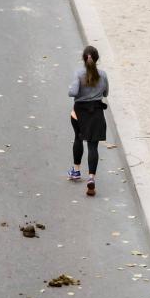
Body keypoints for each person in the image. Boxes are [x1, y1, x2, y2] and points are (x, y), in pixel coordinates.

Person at [67, 46, 108, 196]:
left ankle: (76, 171)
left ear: (84, 59)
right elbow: (106, 92)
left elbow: (73, 92)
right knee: (93, 146)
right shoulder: (103, 75)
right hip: (96, 112)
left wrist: (71, 87)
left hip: (79, 112)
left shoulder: (79, 74)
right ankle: (91, 178)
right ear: (96, 59)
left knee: (78, 138)